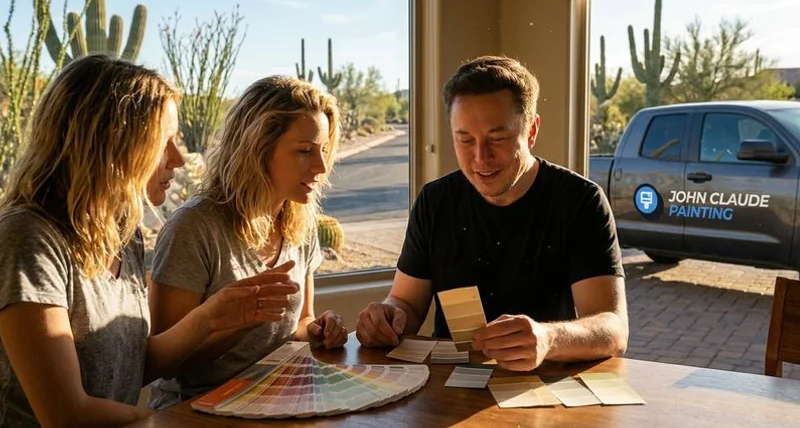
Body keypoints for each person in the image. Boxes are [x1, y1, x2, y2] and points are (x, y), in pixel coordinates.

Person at [0, 55, 301, 427]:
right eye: (163, 142)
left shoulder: (122, 236)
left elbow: (132, 366)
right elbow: (66, 415)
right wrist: (185, 423)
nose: (177, 158)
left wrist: (210, 319)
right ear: (109, 143)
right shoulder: (28, 238)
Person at [356, 55, 628, 371]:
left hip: (544, 385)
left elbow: (613, 330)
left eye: (497, 138)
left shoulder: (581, 201)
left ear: (532, 130)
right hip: (449, 385)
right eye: (465, 140)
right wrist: (388, 317)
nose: (480, 158)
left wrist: (548, 338)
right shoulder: (435, 201)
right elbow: (406, 303)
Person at [147, 75, 348, 409]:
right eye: (304, 151)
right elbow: (167, 362)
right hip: (197, 410)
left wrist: (319, 329)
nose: (321, 166)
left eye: (324, 149)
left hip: (279, 398)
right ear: (257, 150)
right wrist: (241, 322)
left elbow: (300, 323)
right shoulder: (194, 227)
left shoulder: (302, 221)